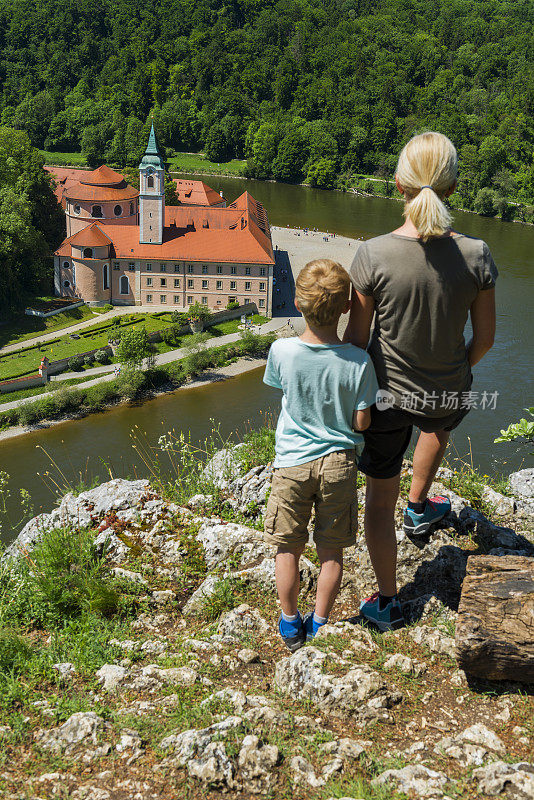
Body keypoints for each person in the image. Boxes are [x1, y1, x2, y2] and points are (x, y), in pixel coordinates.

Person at [343, 131, 497, 631]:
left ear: (397, 185)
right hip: (447, 392)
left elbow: (356, 341)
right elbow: (486, 338)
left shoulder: (372, 254)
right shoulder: (477, 254)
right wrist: (457, 371)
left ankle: (387, 602)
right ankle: (419, 506)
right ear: (452, 187)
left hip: (385, 396)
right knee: (438, 426)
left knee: (376, 504)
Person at [263, 259, 378, 651]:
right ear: (347, 307)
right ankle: (322, 623)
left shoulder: (281, 350)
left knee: (287, 548)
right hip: (339, 465)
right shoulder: (359, 362)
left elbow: (282, 388)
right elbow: (362, 422)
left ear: (298, 303)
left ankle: (290, 622)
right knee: (331, 551)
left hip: (292, 461)